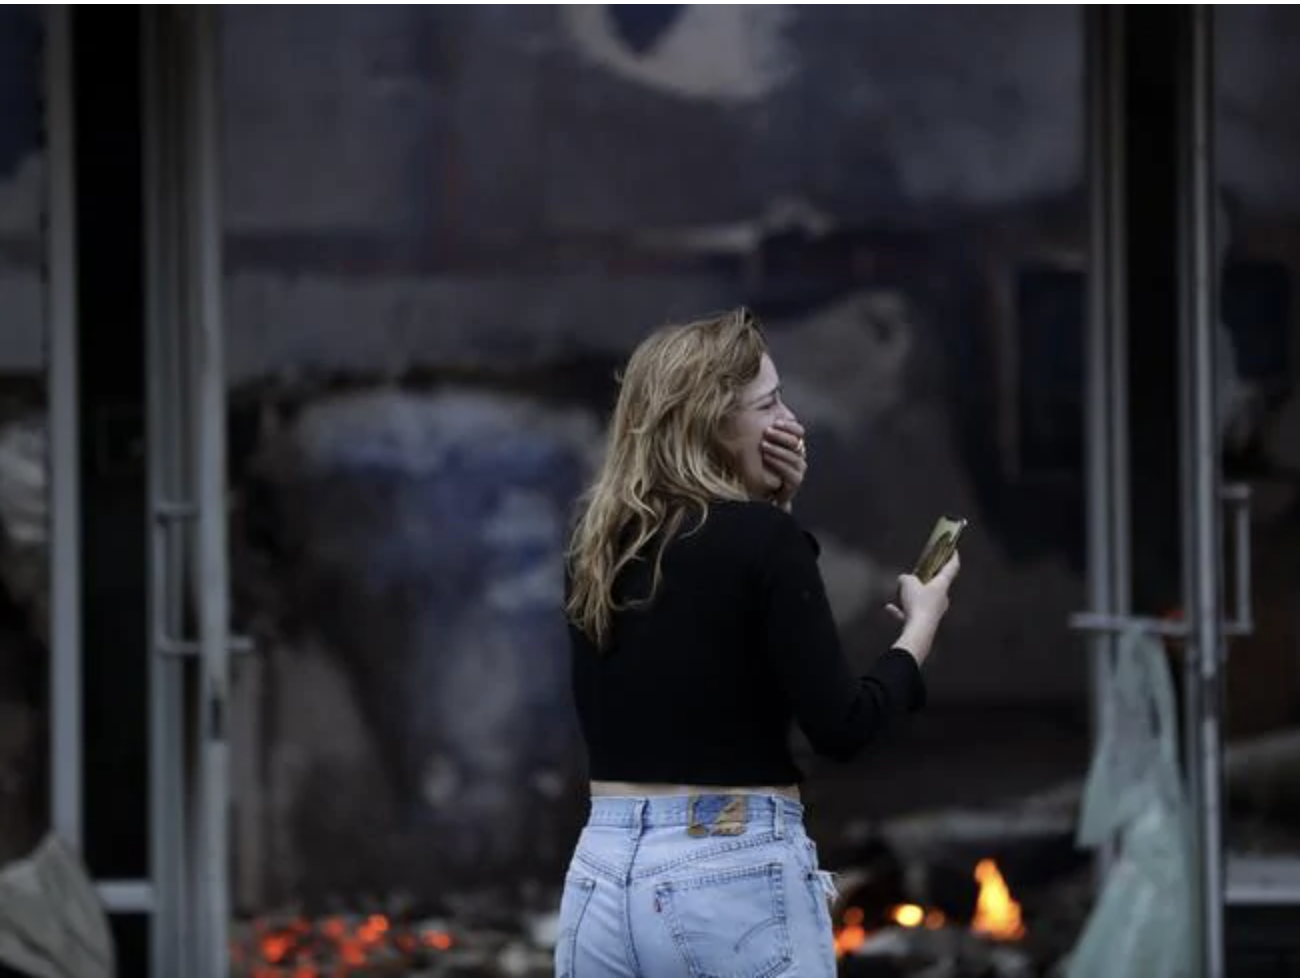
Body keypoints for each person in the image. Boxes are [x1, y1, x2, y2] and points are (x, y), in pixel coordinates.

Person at [556, 308, 960, 977]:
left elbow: (711, 650)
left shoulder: (597, 545)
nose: (788, 423)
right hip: (727, 874)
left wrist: (770, 510)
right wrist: (921, 624)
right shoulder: (765, 546)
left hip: (602, 876)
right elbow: (844, 727)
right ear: (714, 423)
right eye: (768, 403)